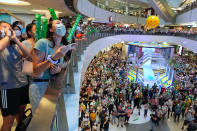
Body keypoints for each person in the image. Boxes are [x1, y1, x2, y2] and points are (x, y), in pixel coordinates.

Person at [30, 20, 76, 112]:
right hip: (39, 85)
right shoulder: (43, 43)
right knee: (40, 119)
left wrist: (58, 69)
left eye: (62, 23)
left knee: (51, 118)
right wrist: (53, 58)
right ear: (50, 29)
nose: (61, 25)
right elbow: (36, 70)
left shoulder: (63, 46)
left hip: (53, 85)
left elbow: (60, 67)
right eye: (57, 23)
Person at [0, 21, 31, 131]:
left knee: (21, 115)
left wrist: (16, 39)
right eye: (4, 27)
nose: (8, 29)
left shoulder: (14, 46)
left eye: (9, 27)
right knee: (8, 121)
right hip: (7, 89)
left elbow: (28, 56)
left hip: (22, 84)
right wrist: (8, 36)